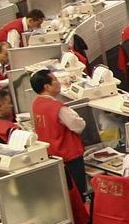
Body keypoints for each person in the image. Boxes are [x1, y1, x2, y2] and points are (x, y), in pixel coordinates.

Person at [29, 69, 88, 207]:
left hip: (51, 154)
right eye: (55, 80)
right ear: (47, 86)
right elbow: (78, 125)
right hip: (69, 155)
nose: (58, 82)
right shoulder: (57, 107)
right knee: (78, 191)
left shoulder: (36, 103)